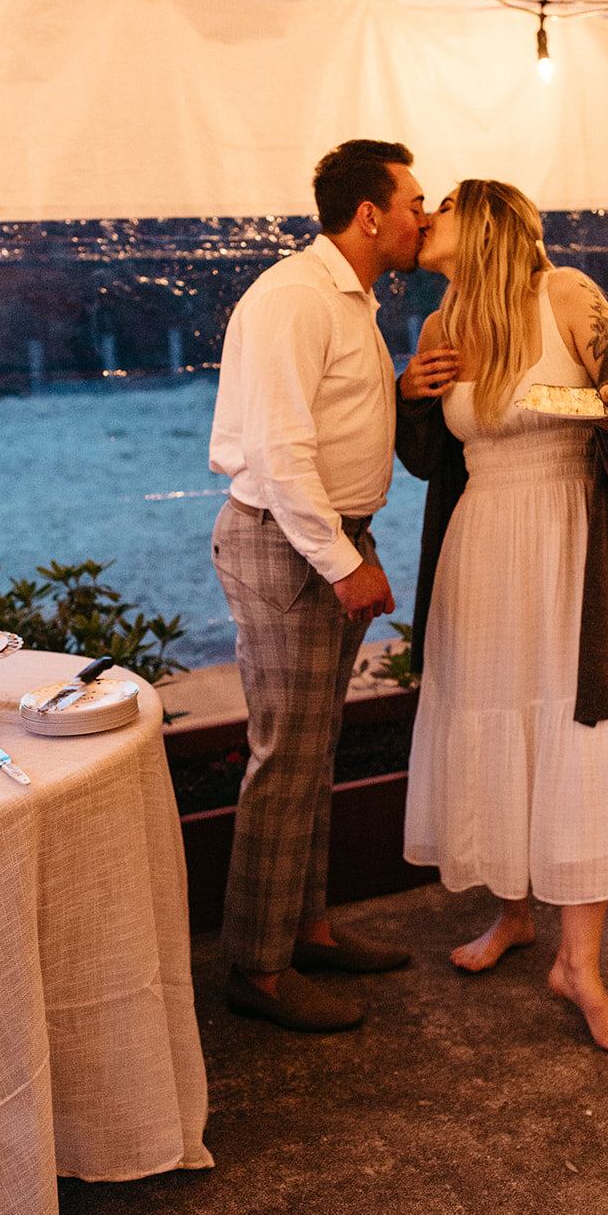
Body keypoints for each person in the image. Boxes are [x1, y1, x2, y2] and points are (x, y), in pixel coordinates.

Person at [397, 179, 608, 1058]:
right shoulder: (439, 325)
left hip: (569, 545)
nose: (423, 218)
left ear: (481, 221)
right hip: (481, 550)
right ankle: (514, 911)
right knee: (497, 728)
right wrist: (409, 392)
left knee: (573, 732)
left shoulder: (567, 293)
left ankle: (578, 967)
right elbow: (427, 458)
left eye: (439, 205)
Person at [209, 138, 427, 1032]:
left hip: (319, 538)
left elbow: (328, 415)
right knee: (285, 759)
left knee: (312, 752)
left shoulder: (347, 301)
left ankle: (308, 930)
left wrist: (404, 387)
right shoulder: (295, 298)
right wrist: (345, 562)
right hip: (289, 544)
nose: (426, 215)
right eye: (415, 200)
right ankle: (255, 970)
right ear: (369, 213)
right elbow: (279, 454)